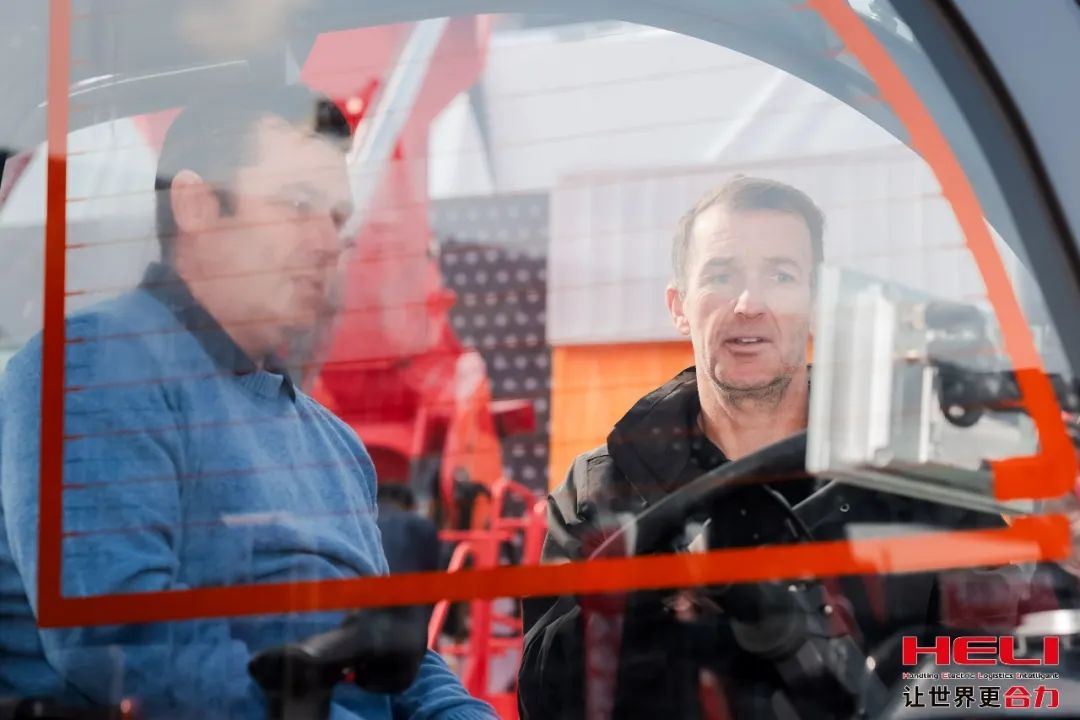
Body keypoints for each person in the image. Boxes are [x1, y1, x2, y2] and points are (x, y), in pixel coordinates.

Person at [0, 84, 494, 720]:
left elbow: (396, 661)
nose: (329, 243)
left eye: (337, 218)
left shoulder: (336, 446)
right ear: (197, 204)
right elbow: (122, 640)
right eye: (298, 205)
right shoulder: (96, 370)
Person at [517, 177, 1072, 719]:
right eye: (721, 275)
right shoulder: (598, 490)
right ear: (679, 305)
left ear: (817, 301)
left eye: (781, 275)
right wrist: (648, 591)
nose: (749, 303)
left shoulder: (915, 476)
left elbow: (1010, 676)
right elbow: (543, 699)